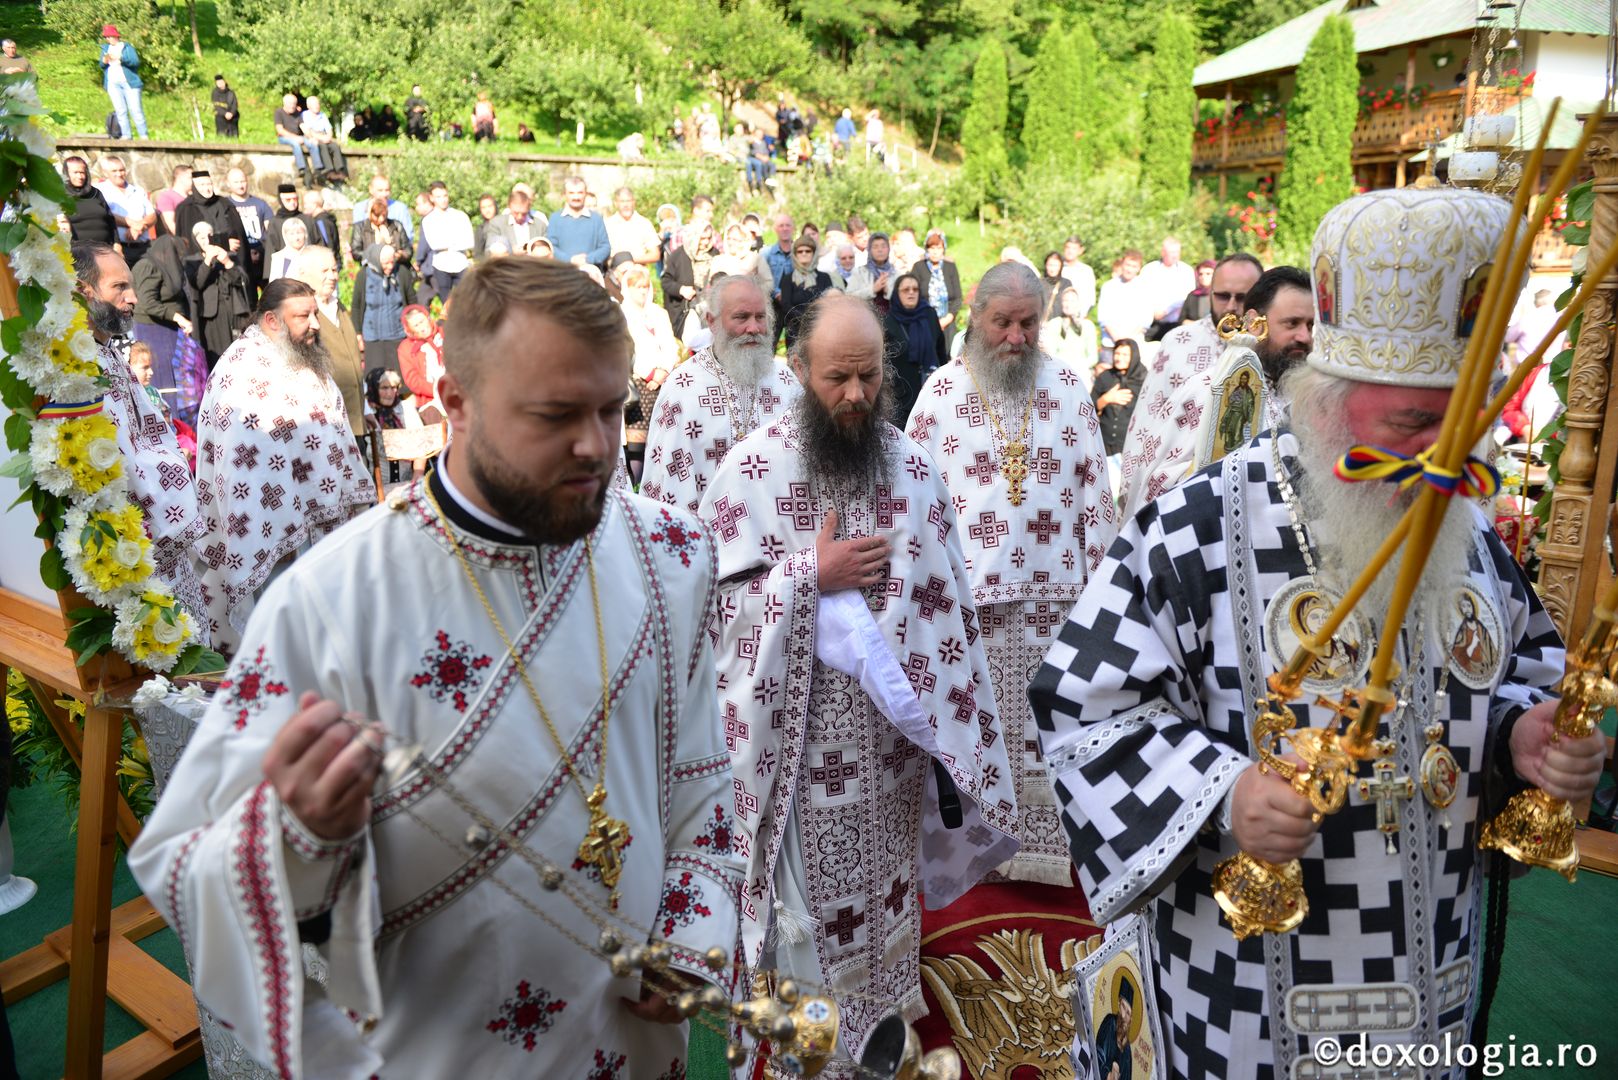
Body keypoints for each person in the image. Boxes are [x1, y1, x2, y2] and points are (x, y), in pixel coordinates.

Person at [1030, 186, 1606, 1080]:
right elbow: (1082, 705)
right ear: (1328, 402)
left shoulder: (1464, 525)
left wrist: (1519, 738)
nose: (1444, 458)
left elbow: (1513, 668)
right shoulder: (1195, 529)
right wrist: (1226, 795)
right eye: (1414, 424)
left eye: (1464, 422)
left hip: (1431, 985)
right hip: (1247, 997)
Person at [131, 258, 741, 1078]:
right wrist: (302, 838)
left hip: (638, 1038)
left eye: (610, 408)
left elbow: (701, 770)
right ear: (455, 402)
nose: (597, 446)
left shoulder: (670, 549)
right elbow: (194, 867)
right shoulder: (329, 602)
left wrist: (693, 935)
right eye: (556, 415)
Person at [700, 291, 1016, 1067]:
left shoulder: (911, 465)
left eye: (869, 376)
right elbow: (713, 616)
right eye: (836, 377)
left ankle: (884, 1031)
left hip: (890, 749)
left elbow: (950, 602)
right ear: (798, 368)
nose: (855, 395)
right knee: (816, 920)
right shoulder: (750, 473)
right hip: (802, 751)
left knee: (884, 901)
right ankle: (816, 1048)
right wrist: (808, 576)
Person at [907, 260, 1117, 886]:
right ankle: (981, 865)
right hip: (971, 611)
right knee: (980, 736)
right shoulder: (941, 394)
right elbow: (913, 501)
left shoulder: (1069, 386)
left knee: (1052, 739)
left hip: (1059, 604)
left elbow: (1095, 496)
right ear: (976, 315)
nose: (1016, 338)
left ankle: (1054, 862)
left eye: (1029, 323)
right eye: (1003, 323)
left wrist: (1104, 600)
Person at [190, 279, 373, 650]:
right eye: (303, 316)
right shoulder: (242, 369)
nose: (316, 324)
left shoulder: (302, 356)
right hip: (276, 532)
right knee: (283, 633)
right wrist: (277, 525)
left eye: (315, 314)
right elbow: (246, 460)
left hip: (322, 526)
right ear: (272, 320)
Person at [72, 242, 208, 629]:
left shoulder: (108, 351)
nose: (132, 298)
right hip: (139, 546)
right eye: (119, 287)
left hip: (163, 536)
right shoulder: (78, 366)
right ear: (83, 291)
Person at [1121, 260, 1316, 517]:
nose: (1304, 337)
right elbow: (1156, 484)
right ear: (1255, 324)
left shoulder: (1313, 399)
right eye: (1292, 324)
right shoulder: (1207, 390)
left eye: (1310, 325)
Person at [640, 277, 800, 515]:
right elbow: (666, 480)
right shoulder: (682, 388)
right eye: (741, 317)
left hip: (775, 527)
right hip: (705, 529)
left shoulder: (785, 381)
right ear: (712, 322)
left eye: (760, 317)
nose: (753, 328)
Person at [290, 246, 366, 442]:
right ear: (303, 273)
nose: (332, 276)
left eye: (334, 269)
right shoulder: (298, 315)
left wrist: (366, 410)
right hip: (326, 428)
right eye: (324, 270)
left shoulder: (338, 306)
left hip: (355, 421)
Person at [616, 263, 679, 486]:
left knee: (660, 437)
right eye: (637, 287)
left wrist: (663, 371)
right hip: (637, 383)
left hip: (662, 382)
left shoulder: (658, 313)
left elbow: (670, 345)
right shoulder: (621, 314)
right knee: (637, 438)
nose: (642, 291)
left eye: (645, 286)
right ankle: (636, 485)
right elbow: (627, 349)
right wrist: (650, 373)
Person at [184, 220, 253, 367]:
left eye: (209, 235)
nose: (206, 240)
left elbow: (243, 281)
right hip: (211, 316)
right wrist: (207, 261)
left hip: (234, 310)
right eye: (201, 237)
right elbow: (197, 284)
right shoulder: (192, 260)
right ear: (195, 240)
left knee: (239, 352)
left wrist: (227, 262)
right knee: (217, 356)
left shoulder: (230, 256)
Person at [882, 273, 946, 425]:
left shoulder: (929, 315)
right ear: (897, 293)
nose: (911, 293)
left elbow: (940, 350)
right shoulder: (888, 322)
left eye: (915, 289)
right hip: (902, 397)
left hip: (932, 394)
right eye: (906, 290)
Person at [351, 243, 417, 377]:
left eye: (392, 262)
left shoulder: (402, 273)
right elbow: (356, 306)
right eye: (385, 263)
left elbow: (412, 301)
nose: (390, 266)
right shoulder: (364, 275)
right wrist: (357, 333)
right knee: (375, 378)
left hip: (398, 334)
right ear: (376, 261)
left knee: (400, 376)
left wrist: (414, 326)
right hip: (373, 336)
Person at [1092, 337, 1144, 477]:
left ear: (1134, 356)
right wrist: (1106, 399)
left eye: (1125, 354)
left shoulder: (1144, 380)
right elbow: (1089, 408)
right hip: (1105, 444)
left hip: (1131, 446)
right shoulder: (1105, 376)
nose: (1119, 358)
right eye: (1117, 353)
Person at [364, 367, 425, 485]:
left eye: (393, 387)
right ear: (373, 388)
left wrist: (416, 478)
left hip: (407, 484)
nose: (390, 393)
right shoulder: (367, 414)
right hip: (376, 488)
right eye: (384, 388)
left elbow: (422, 446)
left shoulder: (405, 409)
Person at [659, 221, 716, 343]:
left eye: (708, 238)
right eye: (702, 238)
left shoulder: (714, 254)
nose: (706, 242)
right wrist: (681, 289)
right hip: (684, 310)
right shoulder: (678, 256)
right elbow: (665, 281)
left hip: (709, 309)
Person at [777, 235, 834, 352]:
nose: (804, 254)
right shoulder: (788, 279)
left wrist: (813, 320)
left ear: (814, 254)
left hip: (819, 329)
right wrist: (804, 319)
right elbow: (786, 305)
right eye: (800, 251)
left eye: (808, 251)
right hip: (795, 332)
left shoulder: (824, 278)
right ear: (795, 254)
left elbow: (828, 303)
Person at [95, 155, 155, 264]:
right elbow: (103, 214)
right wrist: (132, 224)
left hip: (144, 248)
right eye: (114, 171)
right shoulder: (99, 191)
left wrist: (141, 226)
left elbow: (152, 216)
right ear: (105, 173)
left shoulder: (138, 191)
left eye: (121, 170)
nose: (119, 174)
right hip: (118, 250)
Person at [420, 181, 474, 301]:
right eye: (439, 197)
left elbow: (469, 241)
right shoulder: (428, 220)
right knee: (446, 303)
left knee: (467, 300)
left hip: (461, 264)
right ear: (432, 198)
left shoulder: (460, 216)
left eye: (445, 196)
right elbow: (435, 244)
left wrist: (448, 244)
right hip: (441, 266)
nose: (443, 200)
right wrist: (455, 241)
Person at [909, 230, 963, 347]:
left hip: (947, 324)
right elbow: (912, 295)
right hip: (923, 323)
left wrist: (947, 319)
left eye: (938, 248)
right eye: (932, 248)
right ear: (927, 249)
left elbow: (958, 297)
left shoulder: (950, 268)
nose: (935, 252)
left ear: (943, 249)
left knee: (947, 354)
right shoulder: (918, 267)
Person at [226, 169, 276, 293]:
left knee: (269, 292)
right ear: (228, 184)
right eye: (236, 182)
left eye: (243, 181)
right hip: (240, 256)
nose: (240, 185)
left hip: (262, 254)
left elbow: (270, 229)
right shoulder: (225, 205)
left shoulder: (260, 204)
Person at [548, 176, 611, 268]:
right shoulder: (555, 218)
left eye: (580, 192)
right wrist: (570, 260)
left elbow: (605, 247)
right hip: (562, 271)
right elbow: (551, 247)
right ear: (565, 194)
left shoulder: (596, 219)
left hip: (590, 271)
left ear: (585, 194)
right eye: (571, 193)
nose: (576, 197)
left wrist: (588, 259)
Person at [1097, 249, 1153, 350]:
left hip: (1134, 344)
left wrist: (1127, 342)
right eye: (1128, 265)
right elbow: (1104, 318)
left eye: (1134, 266)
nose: (1129, 269)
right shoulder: (1109, 287)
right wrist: (1118, 340)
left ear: (1139, 268)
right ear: (1122, 264)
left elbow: (1146, 319)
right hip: (1110, 343)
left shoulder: (1145, 288)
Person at [1139, 236, 1196, 336]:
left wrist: (1167, 311)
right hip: (1151, 324)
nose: (1175, 255)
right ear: (1163, 252)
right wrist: (1153, 312)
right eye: (1172, 252)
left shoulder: (1186, 271)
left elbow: (1188, 296)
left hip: (1176, 323)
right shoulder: (1149, 270)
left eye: (1177, 252)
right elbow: (1141, 294)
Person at [1043, 286, 1099, 387]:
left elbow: (1093, 357)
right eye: (1065, 300)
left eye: (1072, 301)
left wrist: (1079, 366)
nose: (1068, 304)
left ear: (1078, 303)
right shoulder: (1054, 324)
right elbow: (1051, 353)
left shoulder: (1087, 325)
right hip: (1059, 371)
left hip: (1082, 372)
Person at [99, 25, 147, 139]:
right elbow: (101, 65)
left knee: (136, 110)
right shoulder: (105, 49)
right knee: (120, 111)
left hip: (129, 83)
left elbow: (135, 62)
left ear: (116, 36)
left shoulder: (126, 47)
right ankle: (126, 135)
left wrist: (120, 58)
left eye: (109, 36)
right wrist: (104, 61)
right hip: (113, 83)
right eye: (106, 37)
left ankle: (143, 136)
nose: (108, 39)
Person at [398, 304, 446, 419]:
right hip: (429, 401)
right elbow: (413, 380)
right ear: (409, 329)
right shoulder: (406, 348)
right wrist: (438, 390)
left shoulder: (445, 334)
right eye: (416, 325)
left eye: (422, 321)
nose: (422, 327)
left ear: (428, 318)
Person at [483, 183, 547, 260]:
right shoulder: (497, 224)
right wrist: (510, 251)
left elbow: (548, 251)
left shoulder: (540, 225)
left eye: (524, 213)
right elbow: (489, 251)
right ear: (509, 206)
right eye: (516, 213)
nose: (520, 217)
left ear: (529, 207)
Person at [62, 156, 117, 244]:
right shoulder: (61, 195)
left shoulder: (96, 193)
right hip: (76, 249)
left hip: (104, 247)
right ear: (66, 173)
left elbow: (110, 219)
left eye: (82, 172)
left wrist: (117, 243)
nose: (80, 176)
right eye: (75, 172)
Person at [275, 93, 326, 187]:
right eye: (290, 103)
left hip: (298, 137)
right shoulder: (279, 112)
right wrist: (295, 137)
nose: (292, 106)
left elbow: (303, 127)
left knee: (312, 144)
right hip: (284, 138)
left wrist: (311, 138)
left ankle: (318, 168)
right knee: (296, 145)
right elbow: (280, 130)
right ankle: (301, 168)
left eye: (294, 103)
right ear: (285, 103)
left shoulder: (297, 114)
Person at [711, 223, 774, 298]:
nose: (731, 242)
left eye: (735, 239)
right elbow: (712, 285)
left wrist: (754, 291)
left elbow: (769, 283)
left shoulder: (756, 259)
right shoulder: (718, 260)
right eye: (729, 238)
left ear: (744, 240)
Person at [350, 197, 410, 271]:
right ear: (370, 213)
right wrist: (377, 257)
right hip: (370, 269)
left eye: (384, 215)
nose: (381, 219)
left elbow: (408, 250)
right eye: (377, 215)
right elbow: (356, 252)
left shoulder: (396, 225)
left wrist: (400, 255)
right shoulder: (360, 227)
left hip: (396, 268)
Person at [605, 187, 660, 267]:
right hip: (614, 270)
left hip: (638, 271)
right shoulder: (607, 224)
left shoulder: (644, 223)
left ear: (634, 202)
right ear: (616, 203)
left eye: (628, 201)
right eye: (622, 201)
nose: (626, 205)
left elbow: (655, 255)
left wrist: (629, 260)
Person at [846, 232, 897, 313]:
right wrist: (873, 289)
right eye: (875, 247)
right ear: (869, 250)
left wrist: (888, 291)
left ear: (888, 249)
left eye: (883, 246)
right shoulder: (860, 272)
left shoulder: (896, 274)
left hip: (892, 317)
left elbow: (903, 299)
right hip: (864, 316)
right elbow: (848, 298)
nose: (880, 250)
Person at [301, 96, 349, 183]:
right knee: (322, 146)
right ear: (308, 106)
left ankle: (340, 170)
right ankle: (330, 171)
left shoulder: (322, 115)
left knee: (335, 146)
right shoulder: (305, 115)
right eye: (314, 104)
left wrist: (328, 137)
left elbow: (329, 129)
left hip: (324, 136)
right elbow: (308, 131)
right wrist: (321, 138)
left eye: (318, 104)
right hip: (313, 137)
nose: (317, 106)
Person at [302, 188, 342, 269]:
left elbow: (327, 244)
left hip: (326, 265)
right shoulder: (326, 219)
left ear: (315, 204)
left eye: (306, 203)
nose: (304, 206)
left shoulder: (321, 221)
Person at [1060, 236, 1097, 318]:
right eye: (1068, 247)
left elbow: (1090, 298)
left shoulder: (1086, 271)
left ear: (1080, 250)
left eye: (1074, 248)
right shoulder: (1057, 268)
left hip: (1079, 317)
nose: (1070, 251)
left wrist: (1081, 316)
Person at [266, 217, 310, 282]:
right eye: (292, 234)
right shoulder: (279, 258)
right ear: (285, 236)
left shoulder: (314, 255)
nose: (296, 238)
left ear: (305, 234)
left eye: (299, 233)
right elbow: (275, 284)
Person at [154, 165, 192, 237]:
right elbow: (170, 224)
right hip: (182, 239)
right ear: (180, 178)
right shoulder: (167, 197)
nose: (193, 180)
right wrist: (185, 240)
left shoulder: (192, 197)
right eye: (190, 177)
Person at [1180, 259, 1218, 325]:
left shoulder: (1223, 295)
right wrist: (1199, 325)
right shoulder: (1193, 295)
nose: (1203, 277)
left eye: (1208, 274)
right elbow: (1181, 319)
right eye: (1200, 274)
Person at [1039, 251, 1067, 320]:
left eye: (1056, 265)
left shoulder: (1066, 284)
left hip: (1059, 322)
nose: (1052, 269)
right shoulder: (1038, 283)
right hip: (1041, 322)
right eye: (1050, 265)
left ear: (1061, 266)